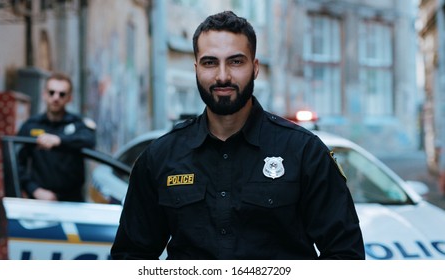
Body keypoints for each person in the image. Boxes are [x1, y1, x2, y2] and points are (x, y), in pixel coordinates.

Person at [111, 11, 365, 259]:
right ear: (196, 68)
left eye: (236, 61)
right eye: (210, 62)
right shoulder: (160, 157)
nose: (223, 76)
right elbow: (131, 258)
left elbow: (345, 254)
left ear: (255, 68)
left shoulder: (304, 152)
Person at [17, 72, 96, 202]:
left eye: (62, 94)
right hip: (40, 201)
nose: (56, 97)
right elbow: (17, 163)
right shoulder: (31, 125)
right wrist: (34, 189)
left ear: (69, 98)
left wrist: (59, 140)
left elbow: (89, 140)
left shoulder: (77, 124)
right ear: (44, 94)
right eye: (51, 92)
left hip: (73, 202)